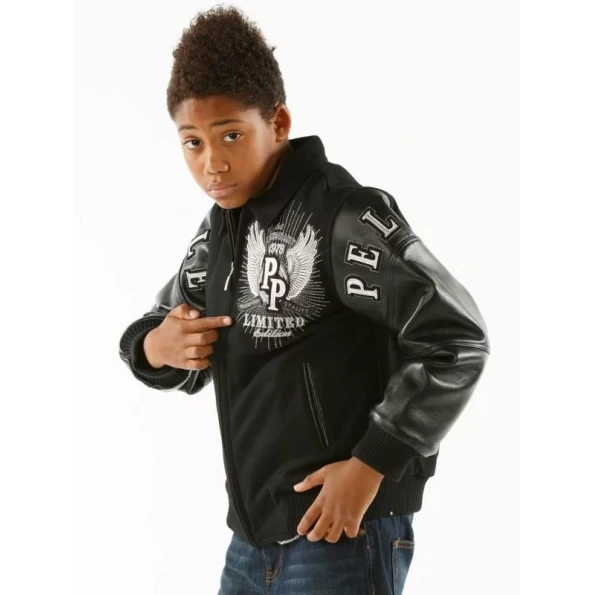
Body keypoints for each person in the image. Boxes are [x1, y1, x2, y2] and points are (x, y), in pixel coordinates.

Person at [118, 5, 490, 594]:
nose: (212, 162)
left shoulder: (345, 216)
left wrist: (370, 466)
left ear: (279, 122)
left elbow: (457, 340)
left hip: (340, 532)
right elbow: (167, 322)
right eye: (192, 142)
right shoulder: (221, 230)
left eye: (231, 135)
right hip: (250, 540)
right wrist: (154, 346)